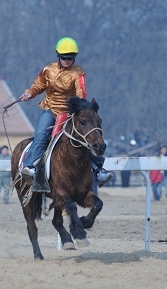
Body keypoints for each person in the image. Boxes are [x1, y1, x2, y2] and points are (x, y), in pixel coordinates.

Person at [19, 37, 112, 187]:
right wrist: (30, 93)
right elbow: (38, 85)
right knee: (41, 135)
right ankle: (30, 167)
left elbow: (81, 93)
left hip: (70, 113)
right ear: (58, 56)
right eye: (64, 57)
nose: (67, 60)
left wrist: (82, 108)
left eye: (70, 57)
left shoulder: (78, 73)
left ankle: (98, 169)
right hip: (51, 110)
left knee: (87, 135)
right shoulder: (48, 70)